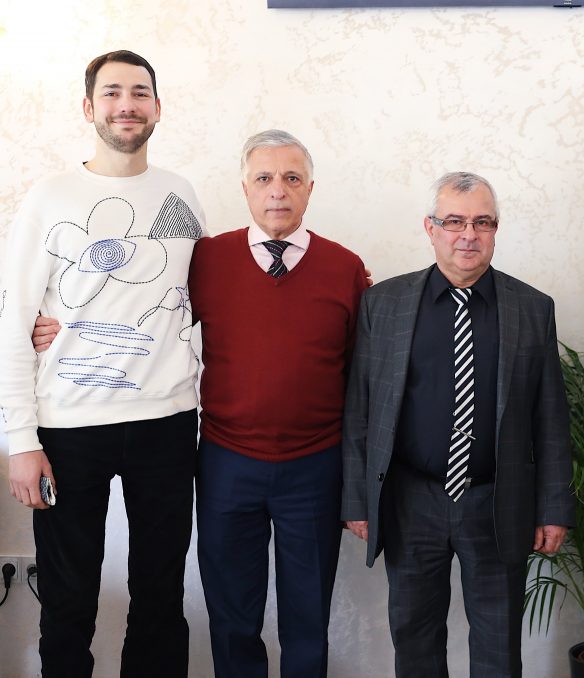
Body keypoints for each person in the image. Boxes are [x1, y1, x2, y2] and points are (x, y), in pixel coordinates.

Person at [0, 50, 205, 677]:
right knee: (67, 602)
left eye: (139, 93)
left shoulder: (180, 193)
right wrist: (20, 440)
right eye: (112, 93)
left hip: (167, 422)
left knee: (161, 597)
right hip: (69, 427)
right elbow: (14, 319)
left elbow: (202, 296)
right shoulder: (50, 197)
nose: (126, 105)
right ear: (89, 107)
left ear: (157, 107)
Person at [341, 171, 573, 678]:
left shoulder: (532, 309)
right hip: (410, 501)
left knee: (498, 643)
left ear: (495, 230)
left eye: (482, 222)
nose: (468, 235)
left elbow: (550, 419)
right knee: (414, 637)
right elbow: (360, 409)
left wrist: (554, 508)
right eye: (454, 222)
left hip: (497, 501)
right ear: (430, 228)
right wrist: (358, 500)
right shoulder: (384, 304)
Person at [187, 129, 367, 678]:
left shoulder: (345, 268)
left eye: (291, 178)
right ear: (245, 188)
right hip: (226, 462)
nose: (277, 190)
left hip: (315, 466)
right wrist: (56, 325)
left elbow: (363, 376)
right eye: (264, 178)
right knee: (232, 615)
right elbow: (145, 318)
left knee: (307, 616)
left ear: (310, 188)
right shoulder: (205, 260)